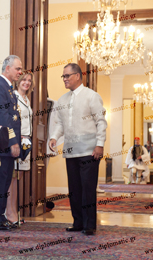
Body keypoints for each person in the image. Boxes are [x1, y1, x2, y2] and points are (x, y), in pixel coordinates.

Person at [49, 63, 107, 236]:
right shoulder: (62, 100)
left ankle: (89, 225)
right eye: (63, 76)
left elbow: (101, 122)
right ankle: (78, 222)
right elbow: (60, 124)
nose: (65, 79)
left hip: (90, 151)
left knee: (88, 189)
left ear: (78, 76)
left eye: (67, 76)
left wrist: (100, 144)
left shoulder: (92, 96)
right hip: (70, 151)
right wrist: (54, 137)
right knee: (74, 189)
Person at [0, 55, 22, 231]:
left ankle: (0, 216)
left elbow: (13, 118)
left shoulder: (8, 88)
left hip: (8, 144)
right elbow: (2, 119)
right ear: (7, 68)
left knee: (5, 182)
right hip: (2, 144)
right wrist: (13, 141)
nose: (20, 72)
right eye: (17, 68)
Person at [6, 71, 34, 225]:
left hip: (26, 141)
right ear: (19, 81)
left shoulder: (26, 99)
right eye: (24, 79)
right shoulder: (14, 96)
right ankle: (10, 213)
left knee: (18, 178)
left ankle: (14, 211)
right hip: (18, 140)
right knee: (12, 178)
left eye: (29, 80)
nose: (27, 83)